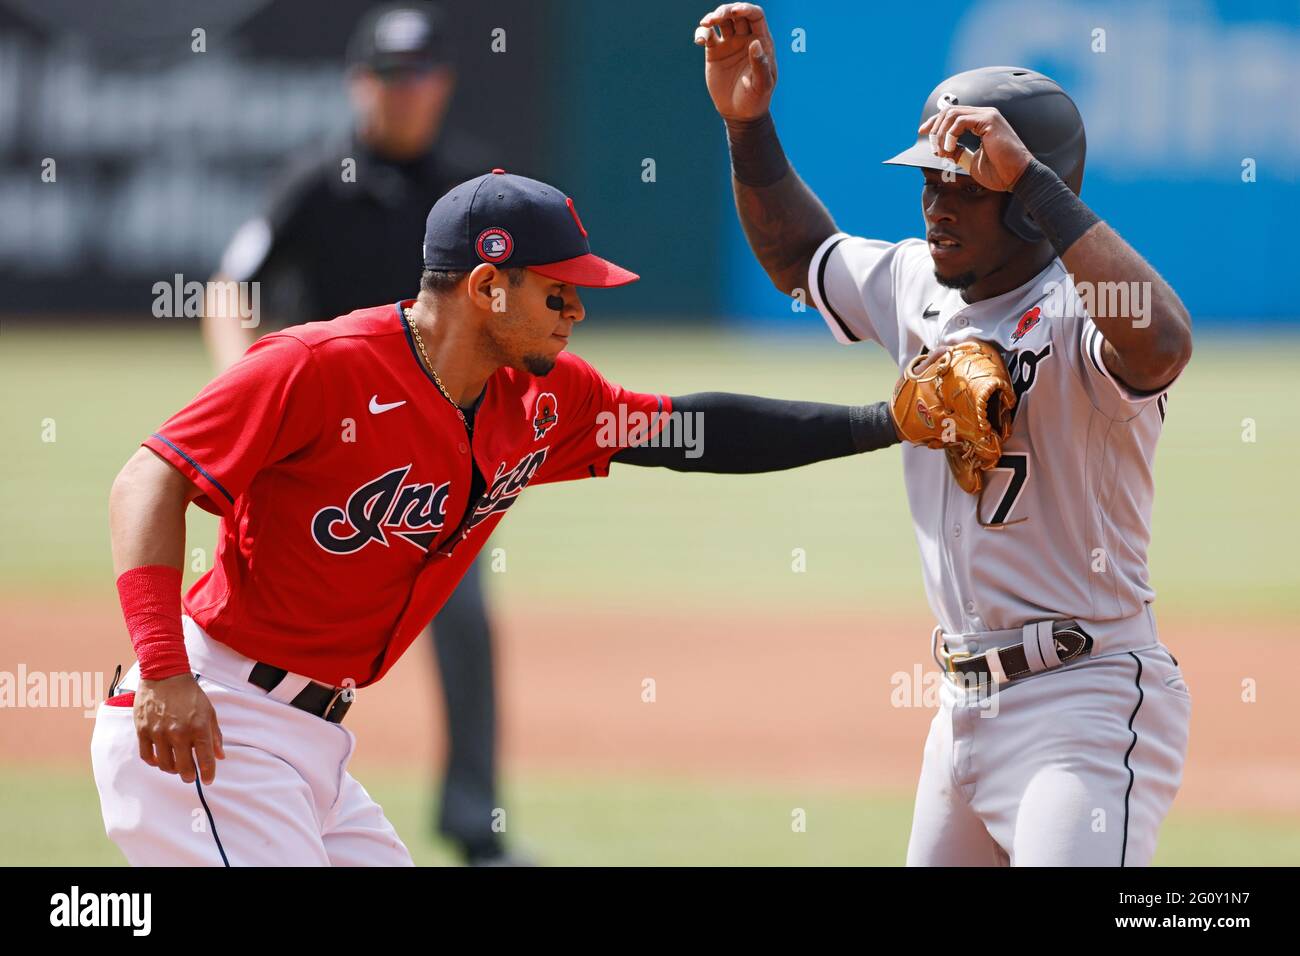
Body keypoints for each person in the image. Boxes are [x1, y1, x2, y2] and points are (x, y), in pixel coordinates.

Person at [91, 170, 914, 866]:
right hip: (209, 726)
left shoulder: (548, 399)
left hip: (313, 747)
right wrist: (162, 672)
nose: (577, 310)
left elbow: (693, 432)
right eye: (560, 290)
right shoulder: (315, 368)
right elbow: (145, 483)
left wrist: (885, 422)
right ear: (488, 287)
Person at [696, 3, 1194, 866]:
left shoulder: (1084, 314)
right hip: (961, 708)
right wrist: (748, 125)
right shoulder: (917, 285)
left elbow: (1166, 340)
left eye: (966, 185)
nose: (936, 204)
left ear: (1035, 202)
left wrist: (1033, 179)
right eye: (929, 180)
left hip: (1085, 703)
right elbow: (801, 255)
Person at [201, 3, 510, 864]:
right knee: (277, 628)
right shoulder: (316, 181)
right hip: (315, 456)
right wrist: (240, 387)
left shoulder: (464, 194)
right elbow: (231, 286)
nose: (406, 93)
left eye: (420, 76)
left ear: (442, 83)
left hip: (433, 457)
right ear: (359, 83)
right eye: (389, 77)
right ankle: (258, 787)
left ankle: (473, 820)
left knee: (464, 626)